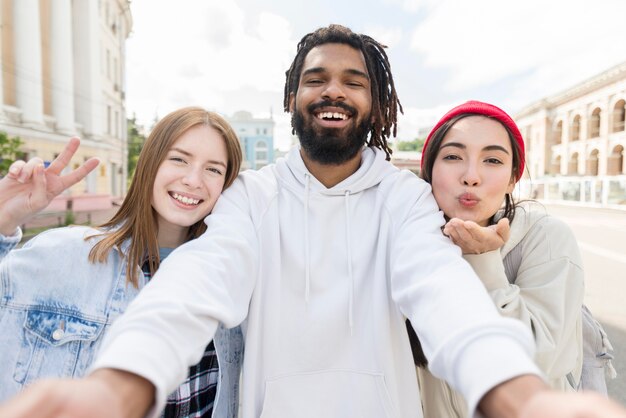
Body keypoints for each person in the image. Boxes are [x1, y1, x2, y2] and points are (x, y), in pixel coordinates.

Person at [2, 24, 626, 418]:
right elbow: (198, 281)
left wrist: (518, 392)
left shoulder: (404, 201)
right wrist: (122, 384)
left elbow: (444, 296)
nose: (334, 91)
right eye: (315, 79)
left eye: (354, 82)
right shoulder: (253, 194)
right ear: (291, 98)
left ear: (377, 104)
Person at [0, 107, 244, 418]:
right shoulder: (64, 255)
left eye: (213, 169)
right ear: (150, 164)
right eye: (179, 159)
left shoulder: (230, 281)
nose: (193, 180)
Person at [409, 100, 586, 417]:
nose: (471, 176)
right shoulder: (407, 246)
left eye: (492, 160)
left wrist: (484, 259)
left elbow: (540, 358)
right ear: (429, 170)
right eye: (452, 157)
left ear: (512, 179)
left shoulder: (545, 237)